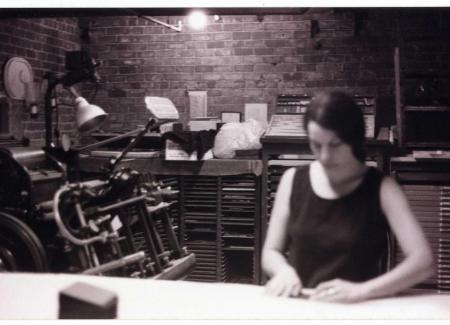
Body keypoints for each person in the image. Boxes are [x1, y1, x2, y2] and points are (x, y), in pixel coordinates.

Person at [262, 91, 434, 303]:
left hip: (358, 308)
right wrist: (282, 271)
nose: (324, 156)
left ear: (353, 139)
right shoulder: (292, 180)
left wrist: (363, 290)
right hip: (303, 306)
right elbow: (270, 251)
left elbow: (423, 261)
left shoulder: (382, 188)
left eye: (334, 145)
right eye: (316, 145)